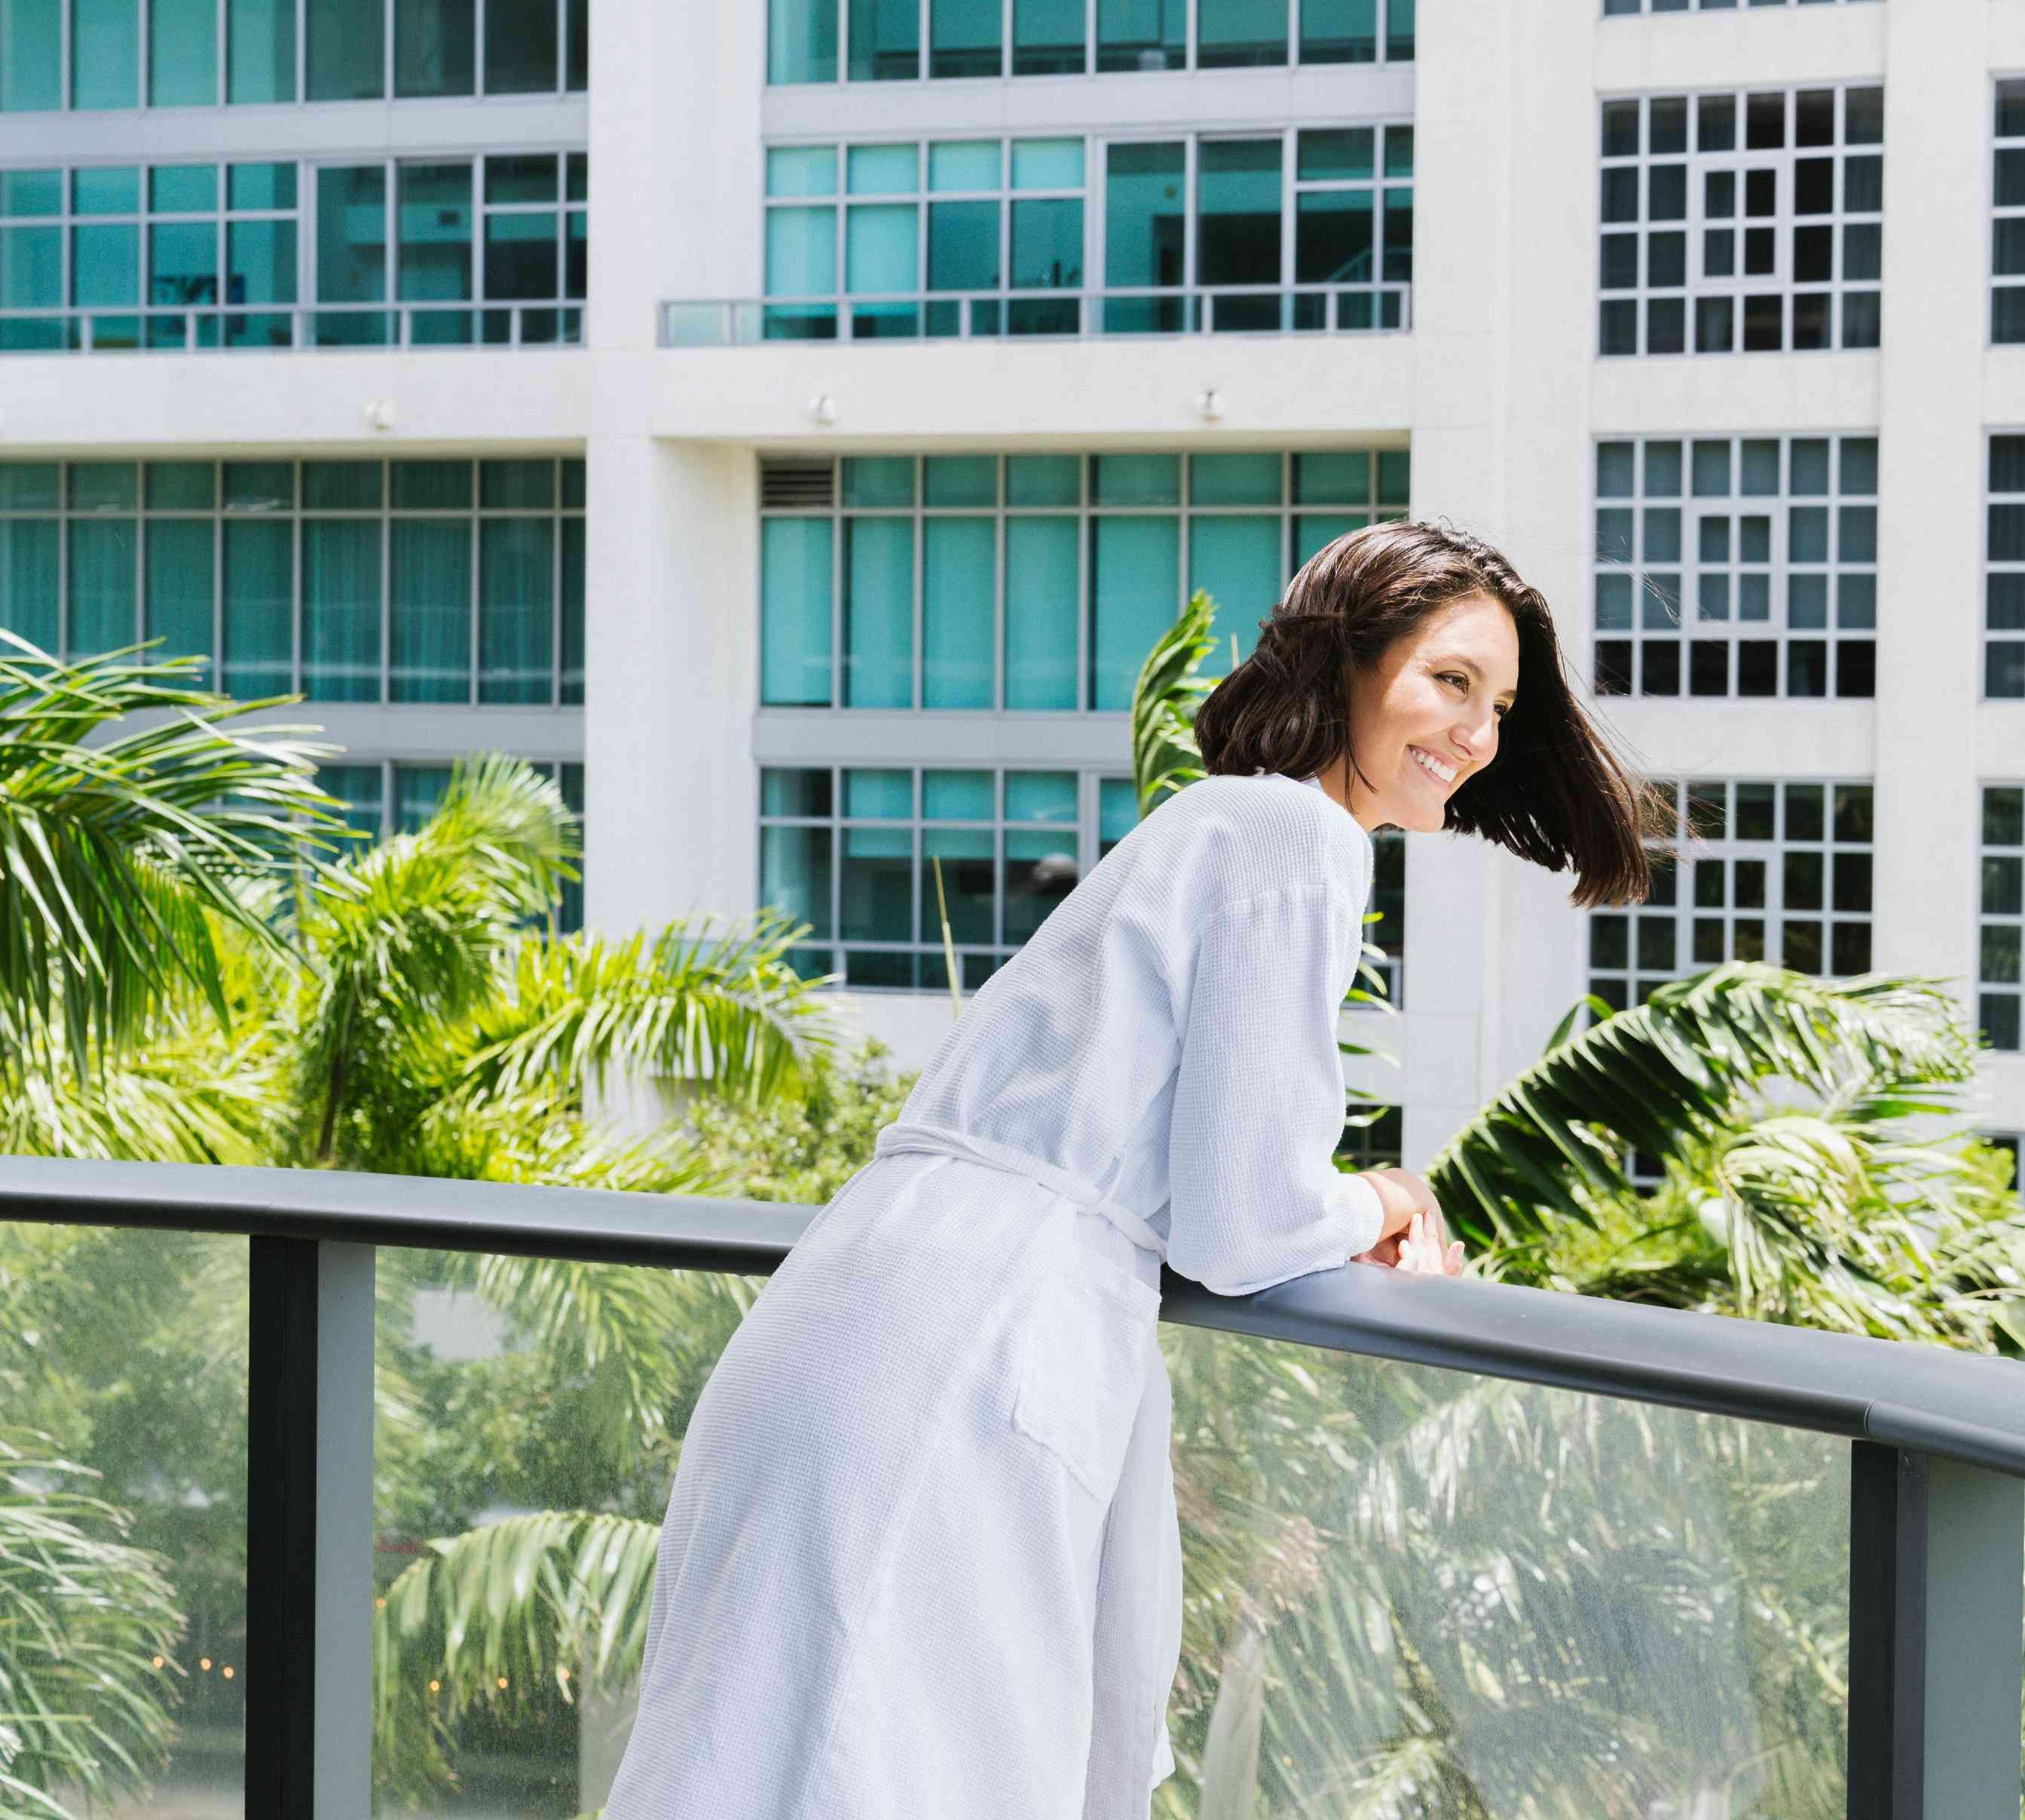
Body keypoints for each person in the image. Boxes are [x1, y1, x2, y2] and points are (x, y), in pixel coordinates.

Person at [603, 520, 1662, 1818]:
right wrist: (1384, 1200)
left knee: (760, 1739)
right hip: (975, 1335)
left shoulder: (1213, 825)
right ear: (1352, 657)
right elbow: (1240, 1216)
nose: (1480, 733)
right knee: (884, 1759)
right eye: (1452, 681)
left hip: (866, 1297)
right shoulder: (1295, 839)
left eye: (1499, 705)